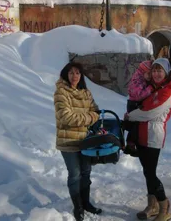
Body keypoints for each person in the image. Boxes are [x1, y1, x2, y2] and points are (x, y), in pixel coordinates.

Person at [125, 58, 171, 221]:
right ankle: (152, 205)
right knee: (147, 172)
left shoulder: (166, 91)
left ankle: (164, 207)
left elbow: (149, 112)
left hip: (153, 135)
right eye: (154, 70)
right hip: (142, 133)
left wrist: (130, 116)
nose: (156, 74)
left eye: (160, 70)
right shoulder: (156, 88)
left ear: (166, 72)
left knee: (150, 173)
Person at [54, 62, 102, 221]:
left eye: (77, 73)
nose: (74, 76)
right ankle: (78, 207)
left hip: (85, 141)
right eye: (71, 73)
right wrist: (89, 118)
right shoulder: (61, 92)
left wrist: (92, 116)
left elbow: (96, 110)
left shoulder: (86, 93)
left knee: (86, 172)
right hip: (68, 142)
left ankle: (86, 202)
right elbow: (66, 117)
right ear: (65, 74)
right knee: (74, 175)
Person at [124, 60, 153, 156]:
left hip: (137, 104)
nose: (150, 76)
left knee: (137, 126)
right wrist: (150, 89)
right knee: (134, 127)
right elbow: (139, 95)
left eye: (151, 74)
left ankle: (132, 145)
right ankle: (131, 146)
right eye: (148, 73)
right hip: (133, 104)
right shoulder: (137, 81)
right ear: (142, 72)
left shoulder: (142, 79)